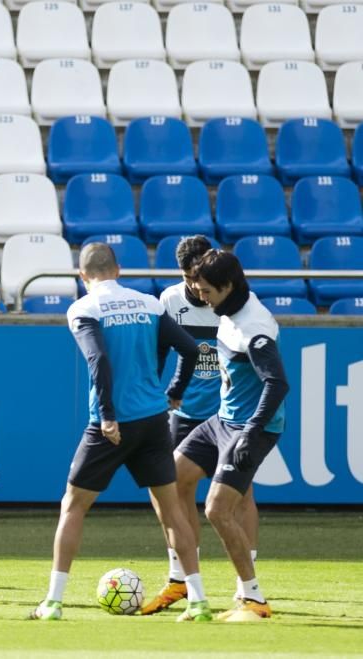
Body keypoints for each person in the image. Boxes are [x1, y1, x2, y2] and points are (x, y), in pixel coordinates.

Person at [29, 242, 212, 622]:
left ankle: (54, 602)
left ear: (83, 276)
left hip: (110, 426)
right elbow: (191, 350)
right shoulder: (148, 303)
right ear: (118, 270)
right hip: (154, 421)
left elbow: (97, 358)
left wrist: (108, 415)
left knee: (73, 505)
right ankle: (198, 601)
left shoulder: (83, 308)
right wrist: (174, 394)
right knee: (172, 511)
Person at [143, 236, 260, 615]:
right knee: (171, 488)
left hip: (228, 413)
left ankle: (248, 582)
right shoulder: (169, 300)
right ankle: (179, 577)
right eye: (189, 277)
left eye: (201, 277)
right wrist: (159, 395)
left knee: (241, 496)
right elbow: (161, 351)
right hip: (184, 413)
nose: (196, 286)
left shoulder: (230, 300)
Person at [178, 249, 289, 620]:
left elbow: (277, 384)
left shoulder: (254, 329)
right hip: (222, 421)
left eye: (207, 290)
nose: (201, 297)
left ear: (227, 287)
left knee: (217, 509)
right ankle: (183, 579)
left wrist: (251, 432)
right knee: (169, 478)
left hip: (250, 429)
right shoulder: (230, 307)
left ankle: (253, 598)